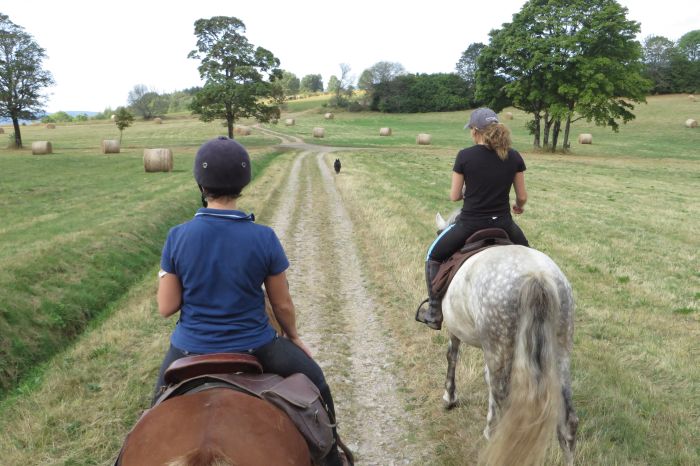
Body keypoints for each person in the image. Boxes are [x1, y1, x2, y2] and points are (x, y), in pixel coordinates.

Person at [153, 136, 349, 466]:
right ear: (245, 182)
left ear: (200, 183)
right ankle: (332, 459)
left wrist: (168, 272)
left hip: (188, 349)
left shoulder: (177, 236)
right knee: (317, 383)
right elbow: (282, 304)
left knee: (151, 415)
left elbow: (166, 306)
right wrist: (294, 337)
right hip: (256, 347)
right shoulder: (263, 237)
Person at [415, 108, 529, 330]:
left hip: (470, 224)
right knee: (529, 256)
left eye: (471, 131)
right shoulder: (514, 156)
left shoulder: (465, 156)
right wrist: (518, 206)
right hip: (504, 224)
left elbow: (454, 196)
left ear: (476, 131)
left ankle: (434, 311)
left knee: (433, 255)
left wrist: (472, 189)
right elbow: (522, 197)